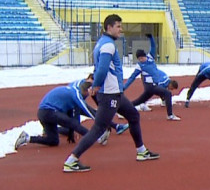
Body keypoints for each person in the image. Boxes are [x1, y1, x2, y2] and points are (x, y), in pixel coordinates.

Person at [63, 14, 159, 172]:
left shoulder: (101, 43)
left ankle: (141, 151)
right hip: (109, 94)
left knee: (134, 116)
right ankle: (72, 160)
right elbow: (102, 68)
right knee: (99, 128)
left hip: (116, 93)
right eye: (118, 26)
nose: (121, 29)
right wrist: (96, 85)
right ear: (109, 27)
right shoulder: (108, 46)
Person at [15, 81, 107, 149]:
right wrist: (98, 119)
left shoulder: (72, 91)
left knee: (53, 141)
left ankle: (27, 138)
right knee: (74, 123)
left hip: (44, 113)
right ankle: (97, 138)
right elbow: (86, 109)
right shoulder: (76, 93)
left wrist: (71, 132)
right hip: (48, 111)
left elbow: (70, 112)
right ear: (87, 91)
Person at [124, 34, 180, 120]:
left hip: (153, 86)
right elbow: (132, 77)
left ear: (144, 56)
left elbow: (153, 46)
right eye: (139, 59)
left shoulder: (150, 57)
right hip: (150, 86)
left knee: (138, 101)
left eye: (141, 58)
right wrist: (124, 87)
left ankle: (122, 111)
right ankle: (170, 115)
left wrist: (151, 38)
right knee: (167, 93)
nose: (140, 60)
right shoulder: (139, 66)